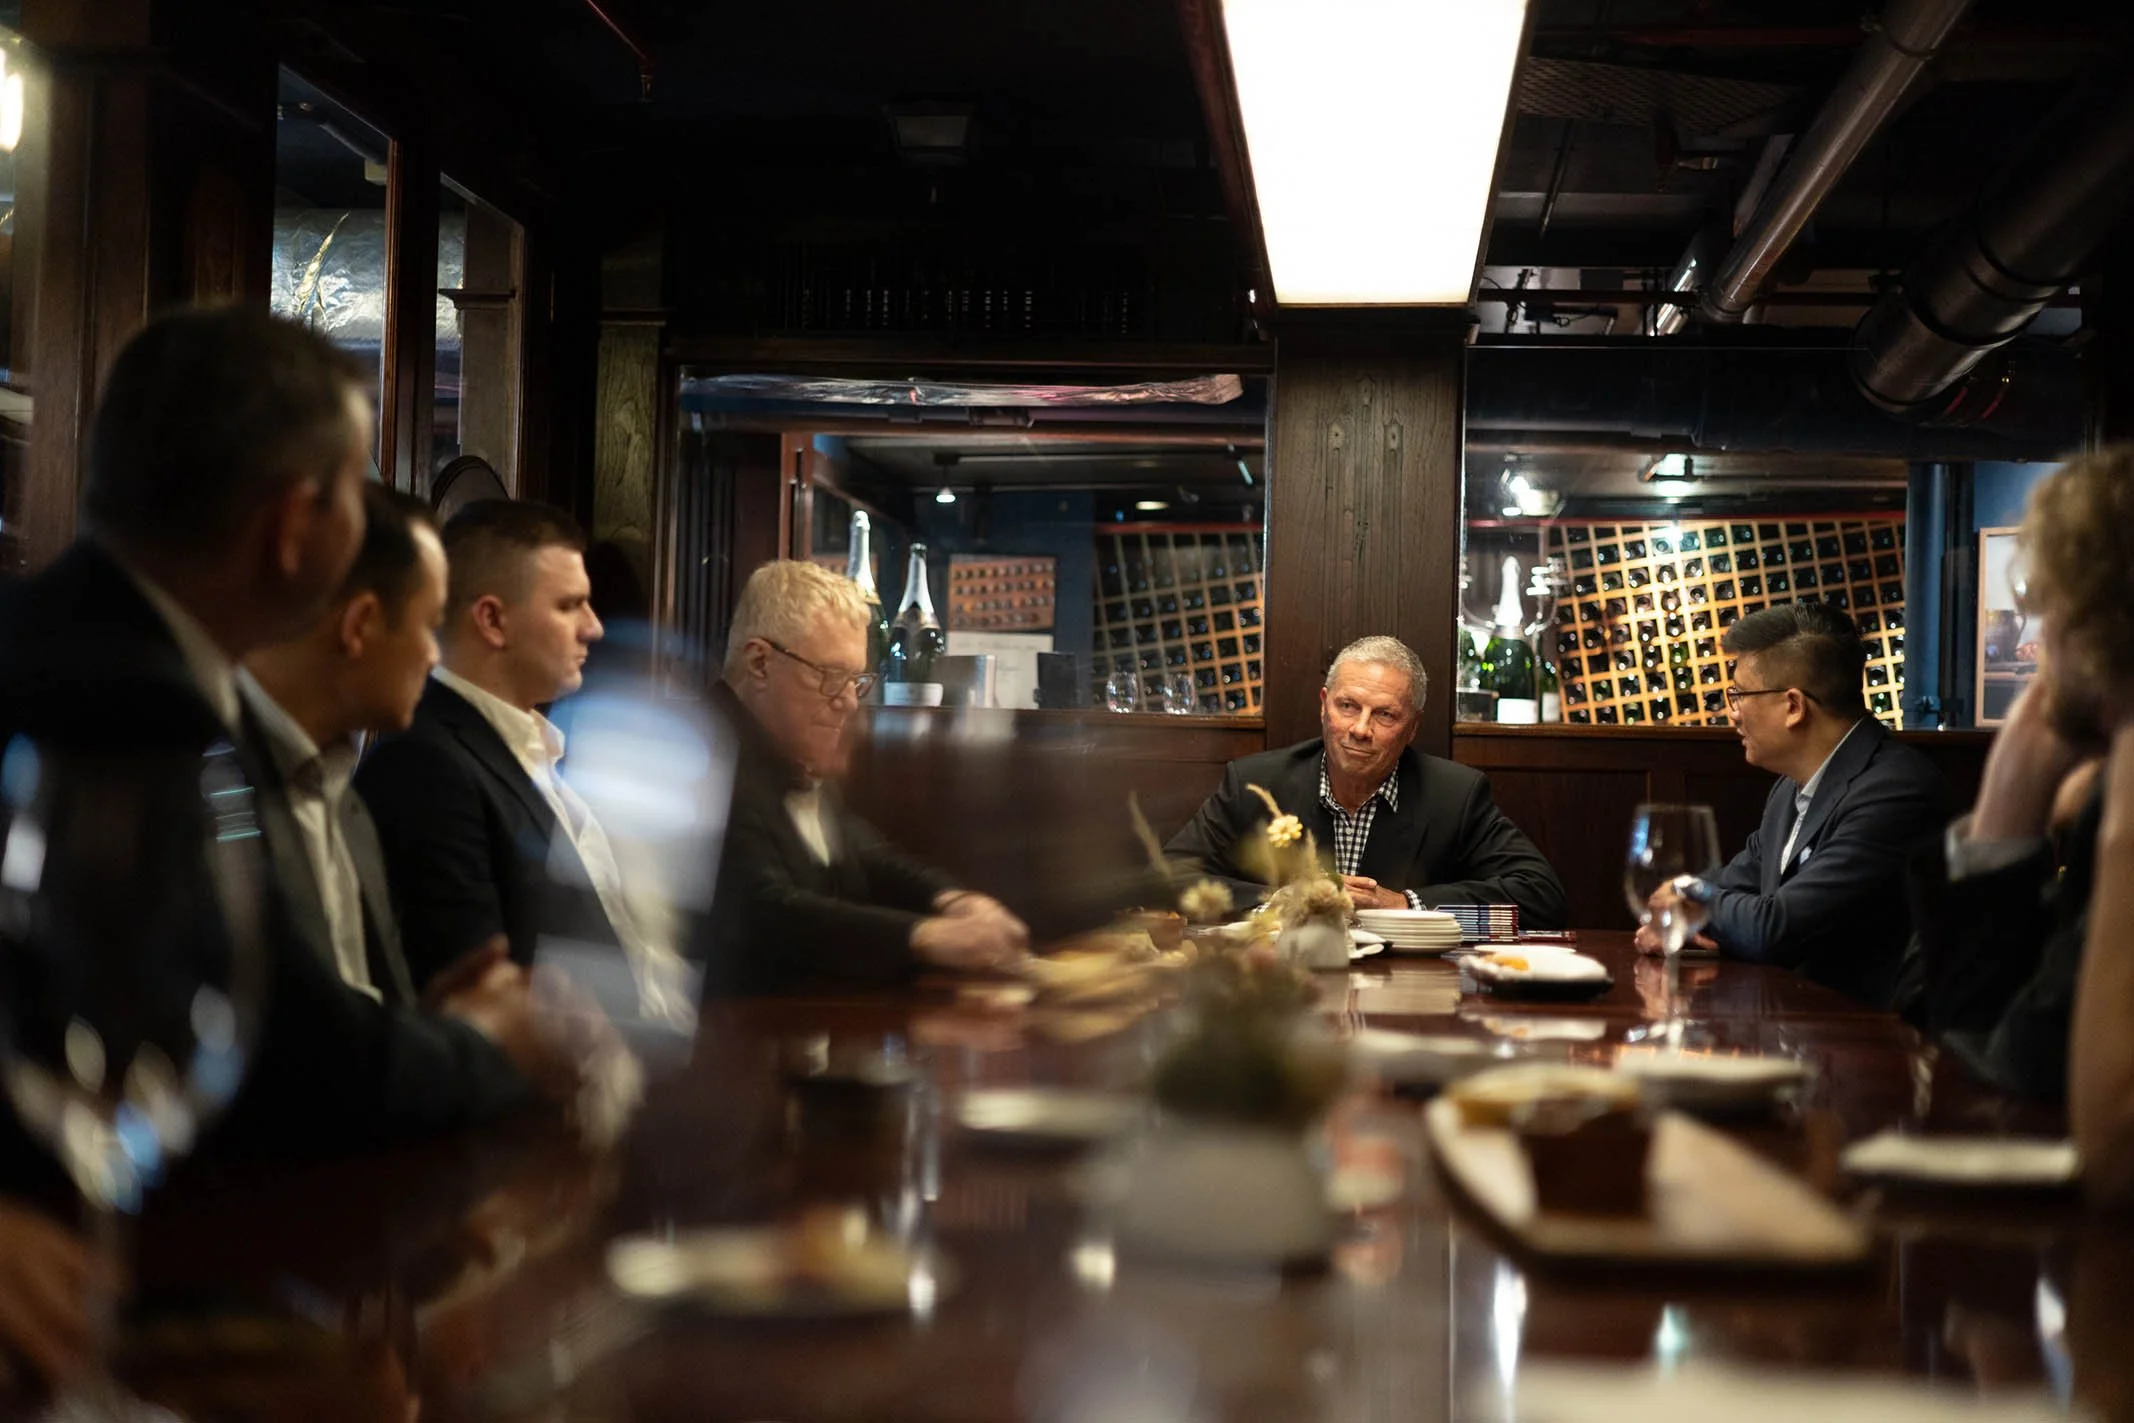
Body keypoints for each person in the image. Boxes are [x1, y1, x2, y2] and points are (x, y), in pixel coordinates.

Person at [0, 308, 571, 1166]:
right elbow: (302, 1060)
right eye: (354, 488)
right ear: (295, 526)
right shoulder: (137, 700)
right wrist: (499, 1043)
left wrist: (420, 1029)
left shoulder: (66, 633)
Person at [356, 500, 684, 1007]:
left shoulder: (534, 748)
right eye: (568, 605)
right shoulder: (426, 765)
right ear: (492, 620)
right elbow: (475, 992)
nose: (593, 627)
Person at [700, 559, 1029, 994]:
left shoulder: (783, 754)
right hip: (716, 1043)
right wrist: (925, 937)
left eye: (856, 681)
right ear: (760, 663)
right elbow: (762, 912)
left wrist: (953, 900)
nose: (849, 704)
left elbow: (862, 852)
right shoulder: (700, 751)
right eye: (832, 677)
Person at [1638, 601, 1947, 1007]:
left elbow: (1774, 927)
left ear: (1793, 706)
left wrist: (1688, 896)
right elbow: (1732, 884)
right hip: (1795, 1024)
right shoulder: (1789, 790)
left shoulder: (1896, 791)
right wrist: (1679, 906)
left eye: (1739, 694)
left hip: (1873, 1043)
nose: (1731, 713)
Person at [1164, 635, 1567, 926]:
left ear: (1411, 728)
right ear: (1324, 707)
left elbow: (1542, 896)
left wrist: (1405, 903)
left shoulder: (1455, 795)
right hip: (1282, 989)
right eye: (1347, 706)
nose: (1359, 729)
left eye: (1384, 715)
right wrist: (1275, 900)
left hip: (1403, 997)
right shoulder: (1255, 782)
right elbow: (1168, 874)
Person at [240, 483, 453, 1006]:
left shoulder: (345, 796)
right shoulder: (209, 779)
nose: (434, 657)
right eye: (430, 627)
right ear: (359, 626)